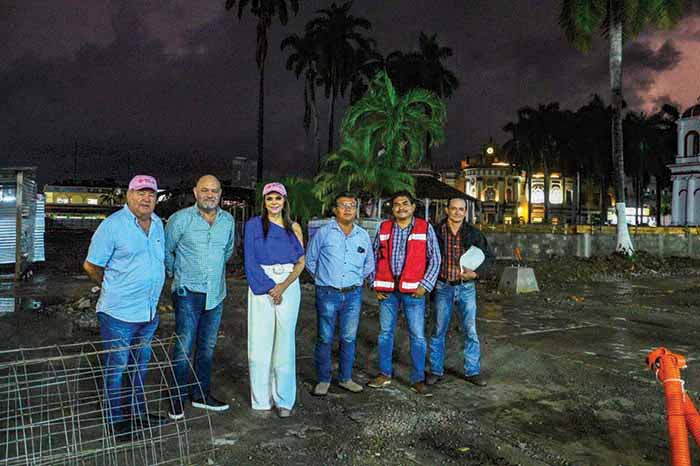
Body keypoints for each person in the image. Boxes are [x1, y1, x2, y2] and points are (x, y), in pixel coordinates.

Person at [83, 175, 167, 439]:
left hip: (148, 312)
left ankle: (138, 414)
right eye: (140, 193)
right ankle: (116, 421)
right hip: (118, 313)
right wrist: (111, 286)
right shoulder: (112, 226)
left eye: (151, 194)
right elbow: (91, 265)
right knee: (117, 367)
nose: (146, 198)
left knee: (139, 366)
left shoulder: (157, 225)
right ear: (128, 195)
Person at [165, 175, 234, 420]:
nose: (209, 194)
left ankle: (201, 394)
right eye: (204, 190)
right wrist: (179, 274)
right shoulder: (180, 219)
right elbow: (168, 252)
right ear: (195, 193)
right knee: (184, 346)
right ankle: (176, 399)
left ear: (220, 193)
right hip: (187, 293)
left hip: (215, 293)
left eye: (214, 190)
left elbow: (227, 251)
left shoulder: (228, 221)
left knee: (207, 346)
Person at [367, 191, 441, 397]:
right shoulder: (384, 228)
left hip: (414, 292)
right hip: (387, 292)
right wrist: (374, 283)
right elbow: (373, 257)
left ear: (413, 207)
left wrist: (425, 285)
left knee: (417, 336)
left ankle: (417, 379)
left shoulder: (424, 228)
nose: (401, 207)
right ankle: (384, 374)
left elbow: (435, 259)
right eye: (397, 204)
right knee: (385, 334)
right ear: (392, 208)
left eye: (405, 204)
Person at [244, 182, 305, 418]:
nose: (274, 203)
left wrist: (282, 286)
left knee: (285, 343)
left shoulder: (294, 228)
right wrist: (270, 287)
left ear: (284, 201)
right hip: (261, 283)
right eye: (269, 199)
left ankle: (284, 399)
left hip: (288, 284)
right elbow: (249, 259)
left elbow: (301, 263)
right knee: (260, 342)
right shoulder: (254, 225)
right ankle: (261, 399)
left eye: (277, 198)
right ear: (264, 202)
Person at [305, 192, 374, 396]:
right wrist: (324, 280)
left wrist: (355, 280)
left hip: (353, 295)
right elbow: (310, 261)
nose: (347, 209)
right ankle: (324, 379)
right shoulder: (324, 233)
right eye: (343, 205)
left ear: (356, 210)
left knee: (349, 338)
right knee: (325, 338)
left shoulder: (362, 235)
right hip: (327, 293)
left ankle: (345, 378)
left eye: (351, 205)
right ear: (335, 209)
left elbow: (369, 263)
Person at [426, 196, 494, 387]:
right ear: (447, 210)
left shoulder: (473, 233)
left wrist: (477, 274)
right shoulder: (435, 232)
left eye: (461, 209)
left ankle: (472, 371)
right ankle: (436, 370)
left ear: (465, 212)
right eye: (453, 208)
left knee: (470, 330)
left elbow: (489, 258)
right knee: (438, 329)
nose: (457, 212)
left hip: (466, 289)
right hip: (442, 286)